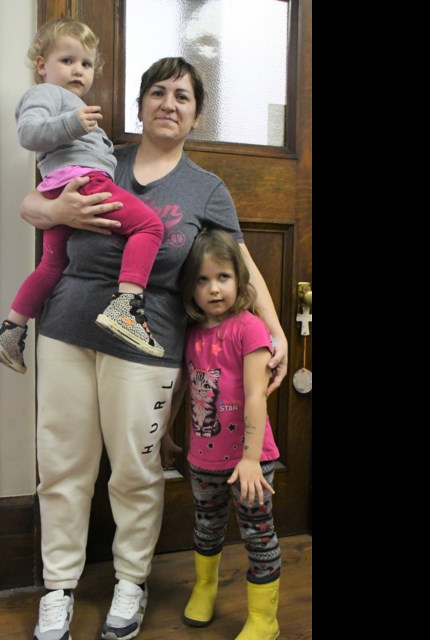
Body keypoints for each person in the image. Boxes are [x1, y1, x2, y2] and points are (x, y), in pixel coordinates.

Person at [19, 56, 289, 640]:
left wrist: (275, 330)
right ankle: (58, 588)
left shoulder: (206, 189)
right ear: (139, 104)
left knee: (136, 471)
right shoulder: (96, 153)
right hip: (66, 327)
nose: (169, 104)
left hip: (147, 344)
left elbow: (240, 264)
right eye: (158, 93)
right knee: (62, 466)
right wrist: (58, 209)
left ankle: (130, 583)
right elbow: (32, 206)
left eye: (183, 97)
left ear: (195, 116)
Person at [0, 18, 165, 375]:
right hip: (84, 182)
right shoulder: (47, 95)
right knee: (150, 227)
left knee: (52, 265)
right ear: (41, 66)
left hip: (64, 186)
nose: (78, 70)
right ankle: (126, 306)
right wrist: (74, 124)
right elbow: (29, 134)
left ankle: (11, 329)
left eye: (86, 63)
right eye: (67, 60)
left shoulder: (70, 105)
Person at [178, 228, 281, 640]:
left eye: (222, 277)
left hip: (250, 463)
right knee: (206, 527)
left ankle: (264, 618)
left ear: (239, 279)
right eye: (202, 280)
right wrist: (170, 436)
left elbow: (257, 394)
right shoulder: (192, 333)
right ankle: (205, 587)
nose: (213, 288)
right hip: (202, 460)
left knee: (258, 534)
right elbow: (183, 388)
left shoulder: (250, 328)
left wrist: (251, 458)